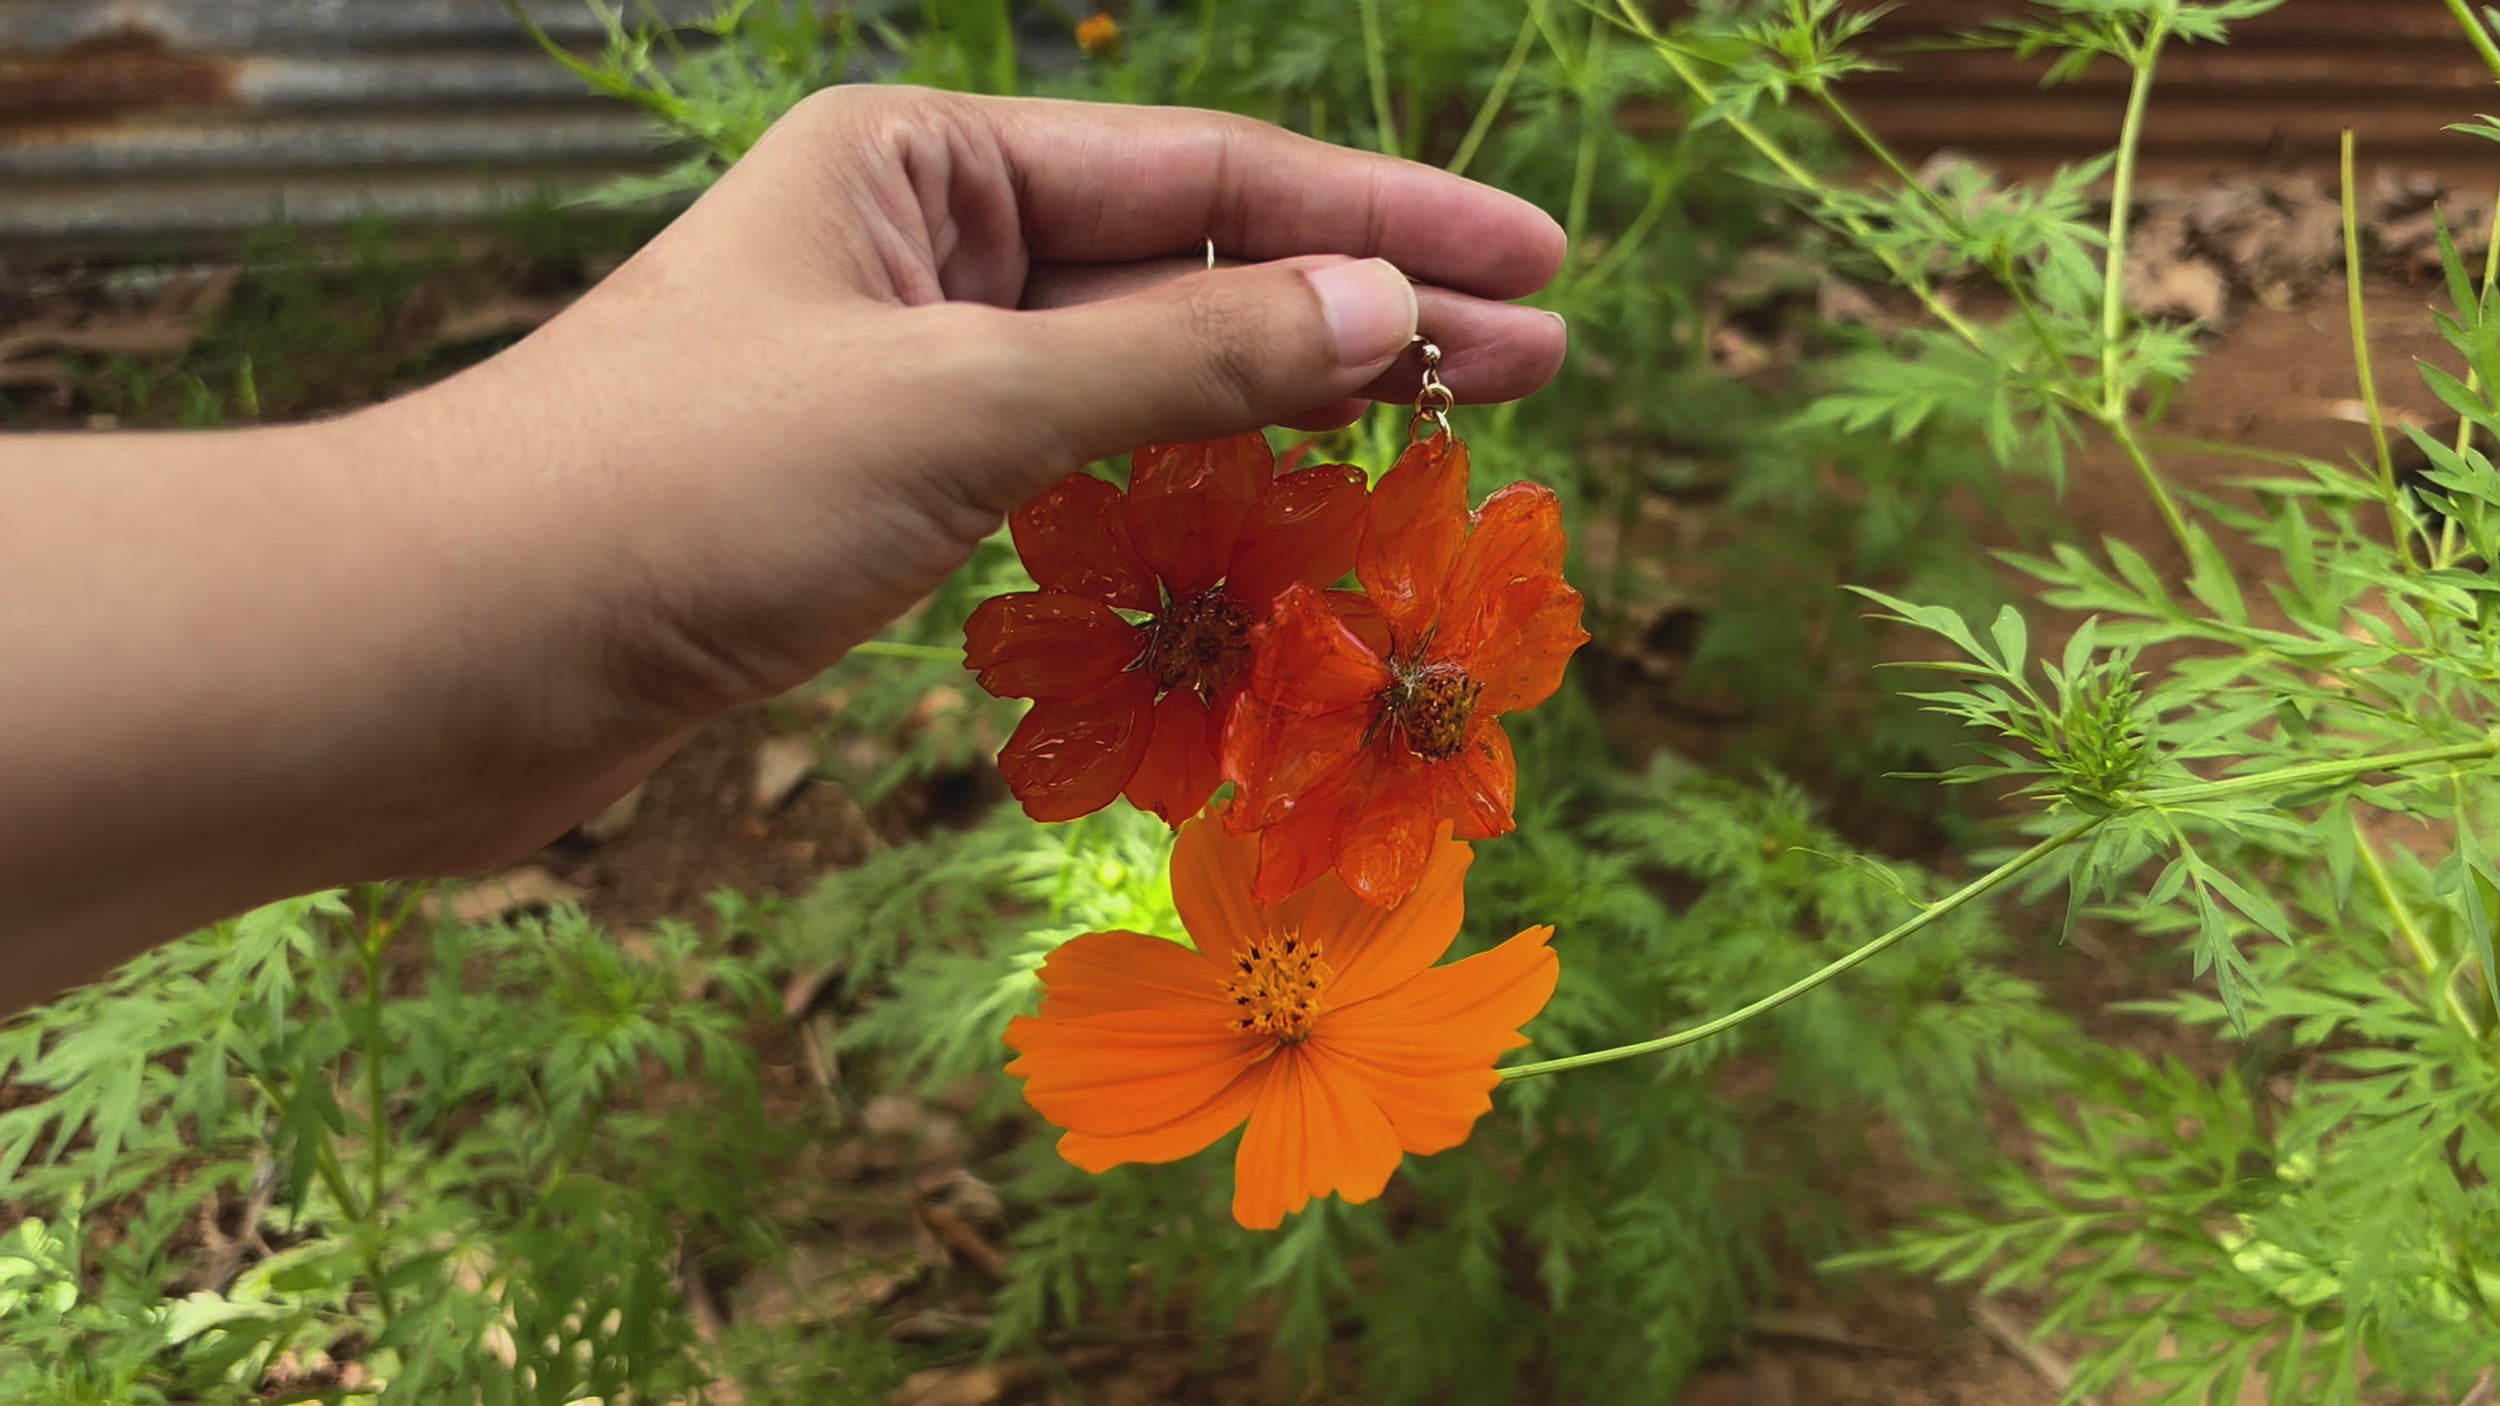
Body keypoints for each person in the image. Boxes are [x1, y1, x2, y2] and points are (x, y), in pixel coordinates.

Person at [0, 87, 1569, 1011]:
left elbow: (1366, 683)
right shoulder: (1258, 612)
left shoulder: (1365, 654)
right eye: (1435, 689)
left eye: (1446, 689)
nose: (1445, 701)